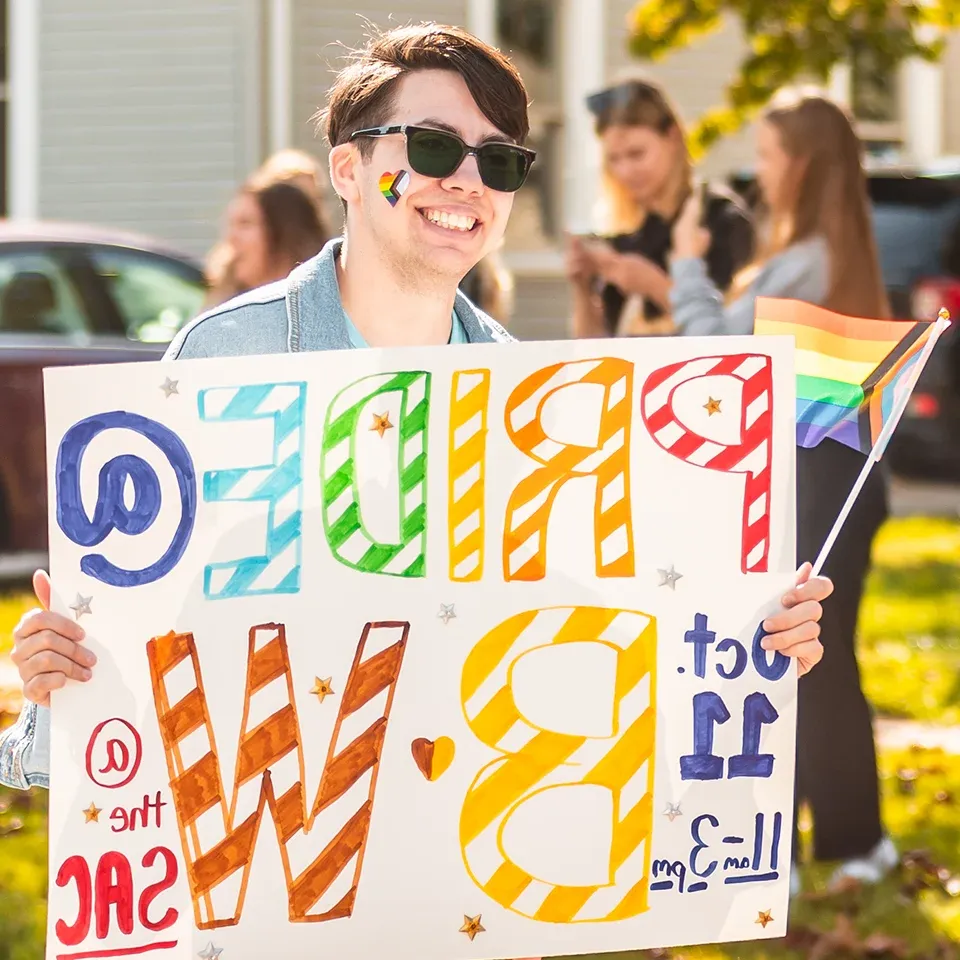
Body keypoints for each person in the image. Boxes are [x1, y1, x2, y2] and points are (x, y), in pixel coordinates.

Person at [1, 30, 830, 890]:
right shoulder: (225, 360)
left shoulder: (541, 407)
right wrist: (65, 690)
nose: (467, 182)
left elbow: (589, 656)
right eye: (433, 147)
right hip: (270, 893)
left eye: (500, 162)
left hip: (469, 892)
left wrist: (748, 651)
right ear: (349, 172)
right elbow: (157, 662)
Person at [669, 88, 895, 889]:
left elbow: (717, 360)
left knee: (802, 658)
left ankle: (829, 847)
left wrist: (687, 266)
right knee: (819, 659)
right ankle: (840, 842)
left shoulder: (804, 263)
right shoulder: (836, 252)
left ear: (799, 163)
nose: (760, 175)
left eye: (767, 157)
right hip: (844, 478)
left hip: (819, 482)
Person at [566, 76, 754, 339]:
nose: (625, 171)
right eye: (614, 159)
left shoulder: (722, 221)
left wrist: (653, 285)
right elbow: (593, 352)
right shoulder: (632, 237)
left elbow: (735, 335)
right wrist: (583, 289)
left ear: (673, 137)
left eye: (636, 154)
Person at [203, 177, 331, 309]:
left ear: (284, 233)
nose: (231, 237)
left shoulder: (329, 309)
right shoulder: (222, 311)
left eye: (245, 224)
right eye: (231, 225)